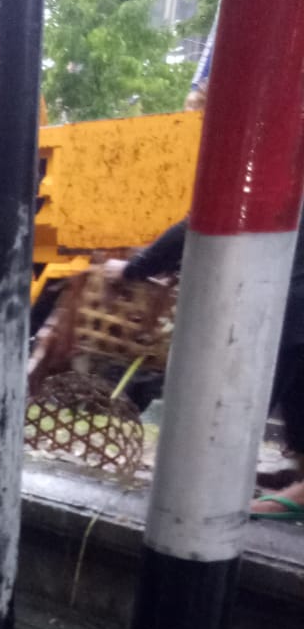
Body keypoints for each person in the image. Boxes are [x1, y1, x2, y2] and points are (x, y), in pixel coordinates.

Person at [104, 209, 304, 518]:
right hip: (289, 313)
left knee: (237, 410)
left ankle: (211, 499)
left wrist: (134, 268)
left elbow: (203, 219)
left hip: (278, 311)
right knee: (294, 392)